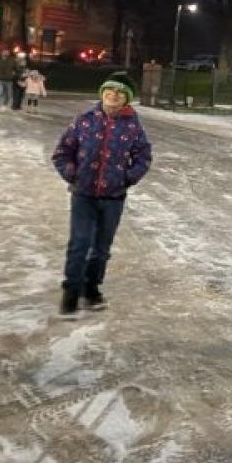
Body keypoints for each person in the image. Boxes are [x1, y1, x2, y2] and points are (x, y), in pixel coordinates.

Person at [50, 72, 152, 318]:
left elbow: (143, 156)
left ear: (126, 98)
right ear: (102, 92)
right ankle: (71, 292)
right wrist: (72, 173)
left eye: (119, 92)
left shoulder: (133, 125)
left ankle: (91, 288)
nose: (113, 95)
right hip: (83, 194)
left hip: (113, 197)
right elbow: (62, 152)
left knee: (101, 248)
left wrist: (128, 177)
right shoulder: (85, 120)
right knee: (79, 244)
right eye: (109, 90)